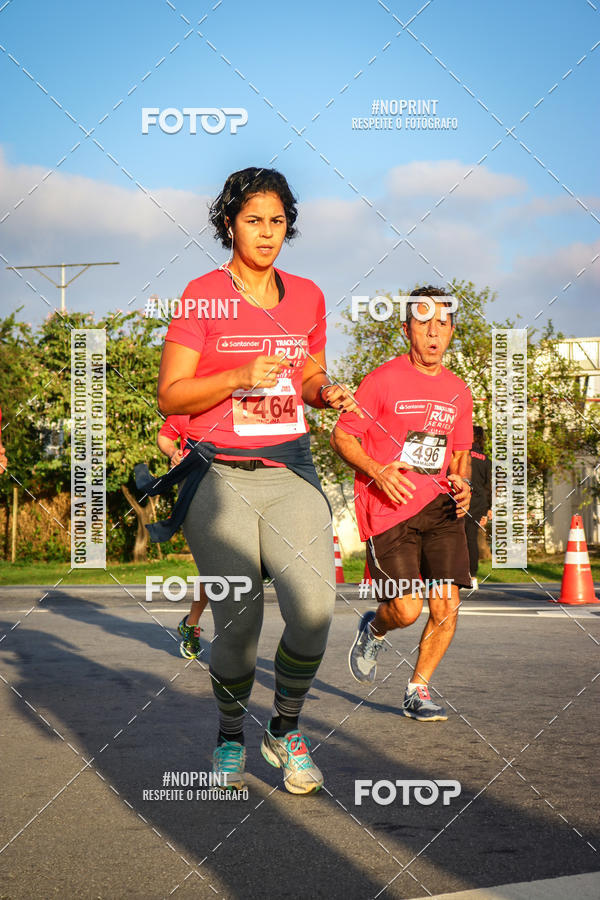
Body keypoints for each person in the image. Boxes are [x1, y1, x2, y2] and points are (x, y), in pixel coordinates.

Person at [155, 167, 359, 793]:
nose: (267, 234)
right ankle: (227, 730)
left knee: (316, 608)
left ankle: (285, 727)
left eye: (277, 222)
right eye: (253, 221)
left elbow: (307, 375)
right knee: (238, 625)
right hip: (216, 475)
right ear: (228, 224)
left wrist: (326, 391)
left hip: (289, 465)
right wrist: (236, 377)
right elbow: (172, 393)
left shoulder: (308, 297)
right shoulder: (202, 294)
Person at [330, 286, 473, 722]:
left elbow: (459, 451)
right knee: (408, 609)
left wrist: (463, 482)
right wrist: (377, 470)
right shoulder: (382, 380)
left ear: (451, 331)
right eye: (424, 323)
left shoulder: (459, 391)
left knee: (446, 605)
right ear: (406, 328)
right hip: (389, 509)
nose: (434, 333)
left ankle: (418, 689)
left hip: (441, 508)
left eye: (443, 324)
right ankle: (374, 627)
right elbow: (341, 436)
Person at [157, 414, 207, 659]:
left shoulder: (235, 403)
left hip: (236, 487)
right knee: (211, 568)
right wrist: (174, 452)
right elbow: (165, 436)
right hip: (194, 486)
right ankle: (191, 625)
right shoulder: (186, 408)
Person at [465, 426, 492, 590]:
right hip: (479, 503)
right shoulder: (486, 459)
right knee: (471, 539)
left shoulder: (461, 456)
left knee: (455, 538)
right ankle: (472, 576)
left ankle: (454, 575)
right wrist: (488, 509)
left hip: (461, 499)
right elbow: (489, 486)